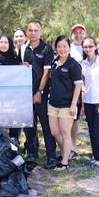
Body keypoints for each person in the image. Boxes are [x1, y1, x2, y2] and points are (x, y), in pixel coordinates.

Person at [22, 21, 57, 170]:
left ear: (40, 32)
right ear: (27, 32)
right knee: (29, 125)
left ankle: (51, 157)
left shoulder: (47, 48)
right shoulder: (24, 48)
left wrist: (39, 92)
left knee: (46, 125)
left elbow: (46, 73)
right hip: (26, 94)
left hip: (42, 94)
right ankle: (32, 154)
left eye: (36, 30)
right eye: (30, 30)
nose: (33, 33)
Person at [48, 36, 82, 170]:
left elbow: (78, 86)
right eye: (59, 47)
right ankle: (70, 151)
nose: (62, 49)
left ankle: (64, 162)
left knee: (65, 133)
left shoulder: (74, 65)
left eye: (64, 46)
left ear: (69, 48)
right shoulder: (54, 62)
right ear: (56, 48)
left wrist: (74, 104)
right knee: (54, 132)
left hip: (67, 105)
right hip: (52, 104)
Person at [81, 36, 99, 168]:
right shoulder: (83, 64)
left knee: (97, 129)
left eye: (90, 46)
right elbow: (83, 85)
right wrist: (82, 104)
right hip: (88, 101)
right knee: (91, 130)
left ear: (96, 47)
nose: (88, 49)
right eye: (85, 47)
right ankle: (96, 157)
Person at [0, 33, 22, 141]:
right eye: (1, 42)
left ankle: (14, 149)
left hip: (13, 100)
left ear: (10, 44)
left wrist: (24, 67)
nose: (3, 45)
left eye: (6, 42)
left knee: (14, 126)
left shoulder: (16, 60)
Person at [69, 23, 87, 159]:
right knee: (70, 118)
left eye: (81, 32)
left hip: (87, 88)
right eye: (76, 32)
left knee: (76, 119)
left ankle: (73, 146)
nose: (78, 35)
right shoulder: (68, 48)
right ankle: (69, 147)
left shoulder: (90, 47)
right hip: (70, 87)